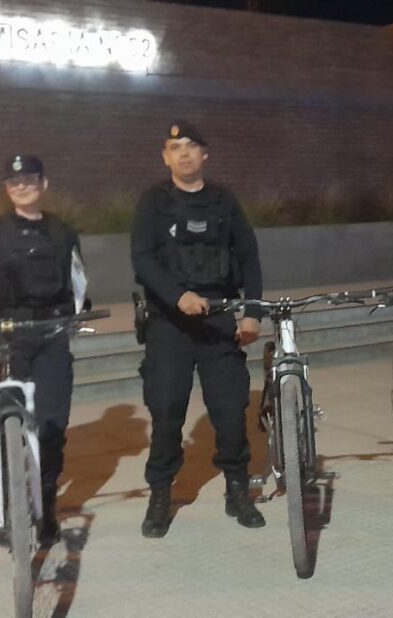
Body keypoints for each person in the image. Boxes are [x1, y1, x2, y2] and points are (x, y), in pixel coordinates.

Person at [131, 119, 266, 538]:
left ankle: (238, 489)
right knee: (167, 409)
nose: (184, 153)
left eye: (192, 146)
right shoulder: (153, 202)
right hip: (169, 323)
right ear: (166, 157)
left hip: (218, 319)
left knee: (230, 410)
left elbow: (249, 256)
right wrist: (178, 296)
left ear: (205, 154)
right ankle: (160, 494)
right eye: (176, 148)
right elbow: (142, 259)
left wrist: (252, 312)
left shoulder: (224, 201)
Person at [0, 154, 86, 545]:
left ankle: (46, 505)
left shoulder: (63, 232)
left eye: (29, 180)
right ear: (7, 189)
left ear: (44, 184)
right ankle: (7, 503)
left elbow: (77, 279)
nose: (22, 187)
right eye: (14, 182)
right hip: (6, 333)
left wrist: (80, 313)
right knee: (8, 417)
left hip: (51, 334)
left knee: (52, 425)